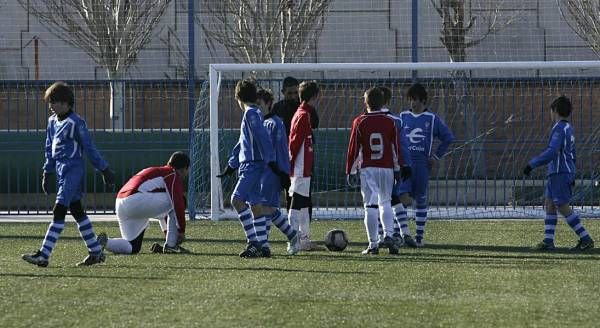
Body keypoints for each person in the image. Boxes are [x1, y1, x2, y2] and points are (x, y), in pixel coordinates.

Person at [22, 81, 115, 267]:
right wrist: (47, 172)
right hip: (60, 170)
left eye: (53, 102)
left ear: (65, 103)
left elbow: (89, 147)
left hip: (73, 170)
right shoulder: (52, 122)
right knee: (77, 211)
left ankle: (44, 254)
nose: (50, 106)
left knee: (59, 210)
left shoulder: (76, 123)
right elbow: (49, 148)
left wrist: (104, 169)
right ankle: (96, 252)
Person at [524, 96, 594, 251]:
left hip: (559, 173)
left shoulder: (559, 128)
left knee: (561, 205)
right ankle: (548, 242)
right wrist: (573, 173)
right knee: (549, 204)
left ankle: (586, 238)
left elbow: (552, 151)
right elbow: (573, 154)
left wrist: (532, 164)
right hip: (560, 173)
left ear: (554, 110)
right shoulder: (569, 128)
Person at [346, 87, 410, 255]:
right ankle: (389, 235)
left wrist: (350, 171)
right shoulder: (390, 121)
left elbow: (353, 149)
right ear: (383, 103)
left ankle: (373, 244)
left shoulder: (359, 121)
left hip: (368, 168)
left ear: (365, 102)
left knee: (370, 206)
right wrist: (398, 168)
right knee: (386, 202)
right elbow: (395, 147)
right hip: (387, 167)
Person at [218, 79, 276, 258]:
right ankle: (264, 246)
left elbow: (261, 136)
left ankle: (253, 242)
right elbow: (241, 143)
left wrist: (270, 158)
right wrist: (232, 164)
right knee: (255, 205)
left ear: (238, 98)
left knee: (236, 200)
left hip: (251, 166)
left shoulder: (250, 114)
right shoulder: (255, 113)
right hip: (249, 165)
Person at [395, 83, 454, 247]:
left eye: (415, 100)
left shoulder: (432, 118)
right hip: (405, 163)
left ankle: (419, 238)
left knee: (420, 199)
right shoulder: (403, 116)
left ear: (423, 100)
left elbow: (448, 137)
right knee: (401, 197)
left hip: (421, 164)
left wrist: (435, 156)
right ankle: (400, 235)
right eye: (410, 99)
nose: (412, 103)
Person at [97, 151, 190, 255]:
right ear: (184, 168)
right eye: (188, 170)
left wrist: (168, 234)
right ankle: (171, 246)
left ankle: (105, 242)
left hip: (121, 202)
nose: (187, 173)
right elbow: (177, 203)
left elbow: (163, 210)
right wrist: (181, 231)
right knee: (180, 200)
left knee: (132, 247)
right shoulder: (172, 173)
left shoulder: (159, 171)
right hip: (136, 199)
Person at [256, 88, 300, 255]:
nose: (257, 108)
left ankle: (263, 245)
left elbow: (280, 150)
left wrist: (282, 172)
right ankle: (292, 235)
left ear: (269, 104)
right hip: (262, 171)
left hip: (272, 171)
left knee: (264, 207)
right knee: (269, 208)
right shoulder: (258, 122)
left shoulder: (275, 123)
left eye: (260, 104)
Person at [272, 76, 319, 218]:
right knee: (290, 194)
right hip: (284, 157)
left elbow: (315, 124)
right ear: (283, 92)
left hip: (303, 157)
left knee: (305, 196)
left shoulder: (304, 109)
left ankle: (304, 232)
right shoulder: (278, 108)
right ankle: (293, 230)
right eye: (289, 93)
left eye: (295, 93)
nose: (293, 96)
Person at [288, 80, 323, 251]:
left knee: (303, 203)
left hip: (304, 166)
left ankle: (304, 239)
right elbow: (294, 143)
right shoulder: (302, 115)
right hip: (300, 167)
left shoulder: (304, 113)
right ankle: (292, 240)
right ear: (315, 96)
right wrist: (291, 164)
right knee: (297, 202)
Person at [377, 86, 412, 246]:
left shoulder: (364, 119)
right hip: (392, 167)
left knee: (377, 202)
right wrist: (406, 165)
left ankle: (382, 235)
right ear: (388, 100)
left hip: (372, 167)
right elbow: (402, 146)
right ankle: (404, 233)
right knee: (394, 198)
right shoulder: (397, 120)